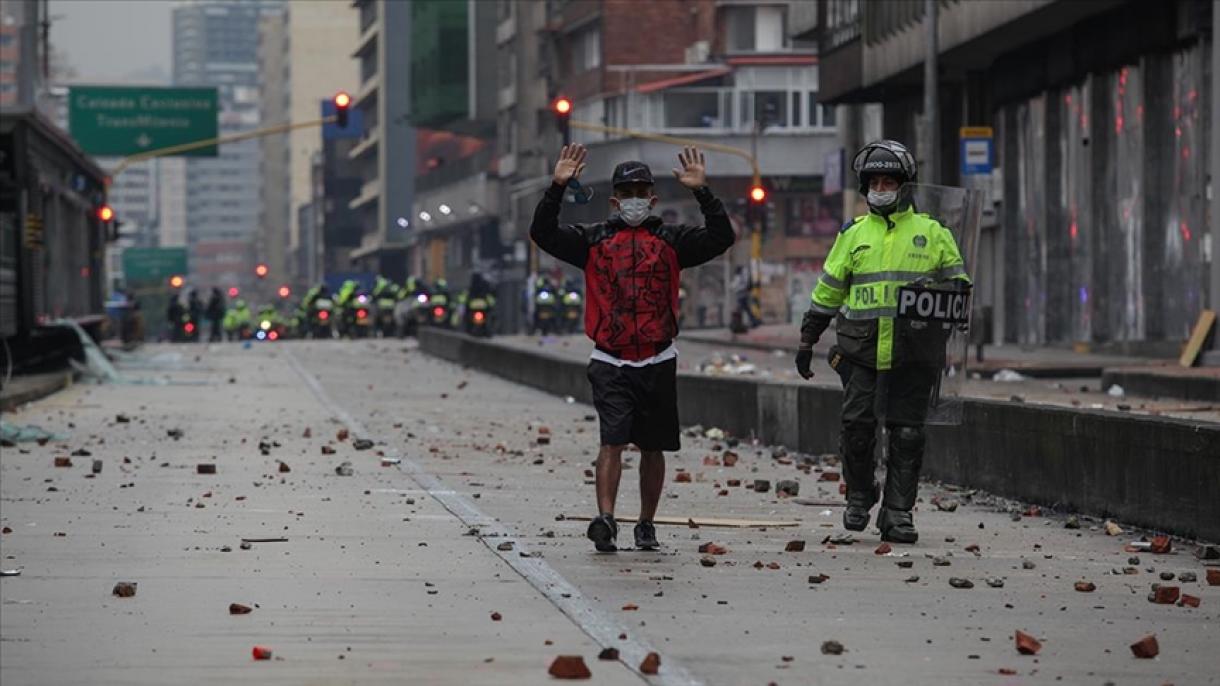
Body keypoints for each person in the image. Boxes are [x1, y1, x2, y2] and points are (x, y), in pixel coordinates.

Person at [531, 144, 734, 552]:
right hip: (609, 358)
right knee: (613, 440)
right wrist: (556, 186)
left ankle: (646, 523)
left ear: (653, 199)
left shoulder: (671, 240)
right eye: (627, 193)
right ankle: (605, 519)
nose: (634, 200)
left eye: (641, 192)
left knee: (653, 445)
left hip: (658, 358)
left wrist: (702, 192)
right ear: (614, 200)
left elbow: (721, 237)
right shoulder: (593, 240)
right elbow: (544, 234)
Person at [794, 139, 970, 544]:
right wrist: (808, 339)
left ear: (905, 185)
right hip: (860, 350)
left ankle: (897, 513)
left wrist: (948, 295)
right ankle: (859, 494)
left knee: (908, 434)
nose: (882, 187)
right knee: (857, 428)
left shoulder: (934, 233)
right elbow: (828, 291)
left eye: (890, 180)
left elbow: (958, 287)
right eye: (875, 181)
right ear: (864, 187)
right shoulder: (853, 235)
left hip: (915, 352)